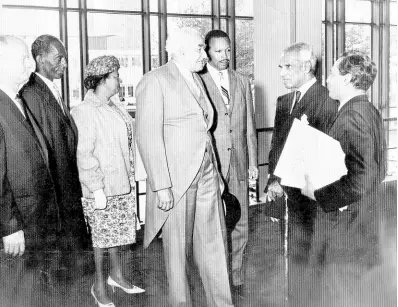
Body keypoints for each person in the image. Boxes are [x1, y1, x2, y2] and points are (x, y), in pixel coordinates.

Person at [135, 27, 234, 307]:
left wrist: (215, 173)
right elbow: (148, 136)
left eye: (204, 49)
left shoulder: (196, 79)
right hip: (176, 182)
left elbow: (204, 129)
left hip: (206, 175)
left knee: (215, 246)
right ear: (178, 51)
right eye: (199, 49)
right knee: (177, 255)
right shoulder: (154, 81)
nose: (204, 55)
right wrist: (161, 185)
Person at [301, 51, 386, 307]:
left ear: (348, 79)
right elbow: (374, 168)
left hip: (347, 226)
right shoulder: (366, 110)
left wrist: (319, 193)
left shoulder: (353, 115)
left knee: (340, 292)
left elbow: (364, 175)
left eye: (332, 74)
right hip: (360, 219)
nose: (326, 80)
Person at [264, 42, 338, 301]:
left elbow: (321, 153)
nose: (282, 73)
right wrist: (273, 180)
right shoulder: (285, 100)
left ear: (307, 67)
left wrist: (283, 180)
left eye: (288, 67)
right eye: (280, 67)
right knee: (292, 255)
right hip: (287, 195)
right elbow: (278, 145)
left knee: (311, 257)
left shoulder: (327, 101)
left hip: (311, 198)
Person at [71, 55, 145, 307]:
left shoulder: (114, 106)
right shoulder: (84, 111)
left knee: (115, 236)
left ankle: (117, 276)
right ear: (102, 80)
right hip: (101, 188)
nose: (119, 80)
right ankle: (99, 286)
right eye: (115, 76)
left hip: (121, 184)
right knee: (101, 241)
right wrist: (96, 188)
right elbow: (84, 153)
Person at [19, 34, 89, 274]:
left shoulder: (49, 89)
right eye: (59, 58)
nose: (65, 64)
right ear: (39, 59)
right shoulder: (31, 92)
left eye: (65, 59)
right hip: (54, 192)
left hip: (66, 187)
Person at [0, 36, 59, 307]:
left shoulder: (17, 100)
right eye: (22, 58)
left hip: (35, 223)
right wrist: (9, 226)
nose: (30, 64)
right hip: (18, 229)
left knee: (35, 294)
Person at [199, 29, 258, 293]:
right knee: (216, 226)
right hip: (213, 167)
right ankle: (217, 279)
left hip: (239, 165)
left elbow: (249, 126)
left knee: (242, 223)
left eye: (228, 50)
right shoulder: (198, 81)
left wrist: (253, 163)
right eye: (218, 51)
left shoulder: (242, 80)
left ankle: (236, 278)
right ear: (207, 52)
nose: (225, 56)